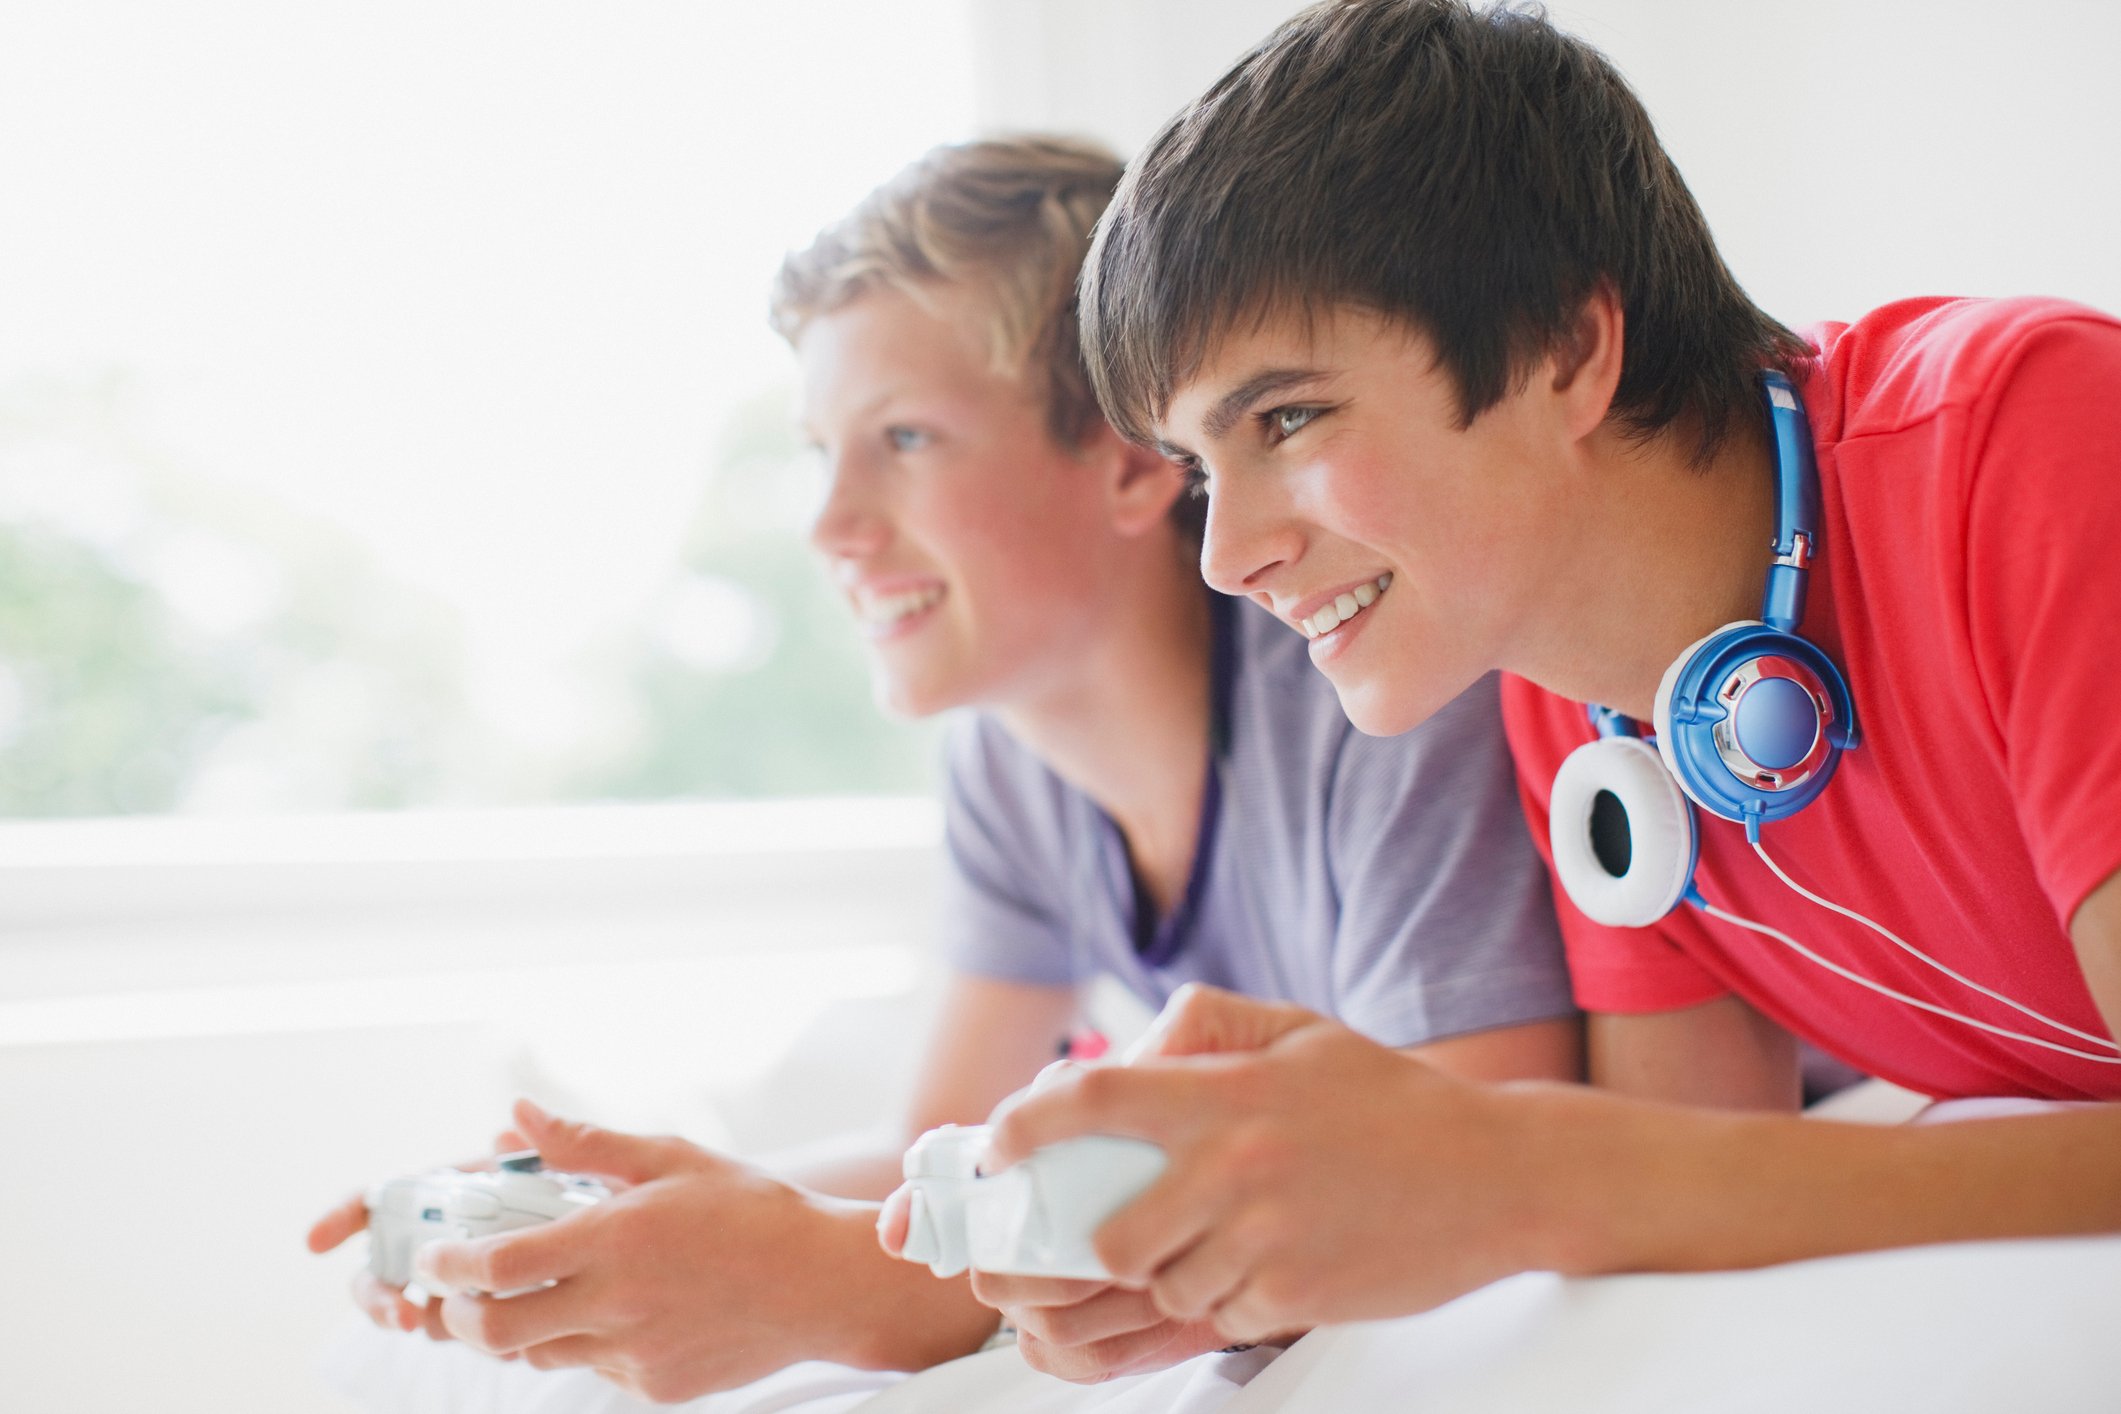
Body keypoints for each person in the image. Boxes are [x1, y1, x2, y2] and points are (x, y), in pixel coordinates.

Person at [307, 135, 1580, 1404]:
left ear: (1132, 460)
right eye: (821, 452)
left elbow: (1476, 1168)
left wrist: (822, 1279)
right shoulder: (1009, 754)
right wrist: (635, 1216)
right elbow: (935, 1152)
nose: (829, 523)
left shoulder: (1373, 687)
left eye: (906, 438)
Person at [966, 0, 2121, 1372]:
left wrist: (1522, 1171)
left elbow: (1623, 1185)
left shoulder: (2031, 440)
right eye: (1202, 469)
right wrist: (1311, 1233)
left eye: (1288, 417)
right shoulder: (1570, 703)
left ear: (1566, 350)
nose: (1226, 557)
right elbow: (1696, 1199)